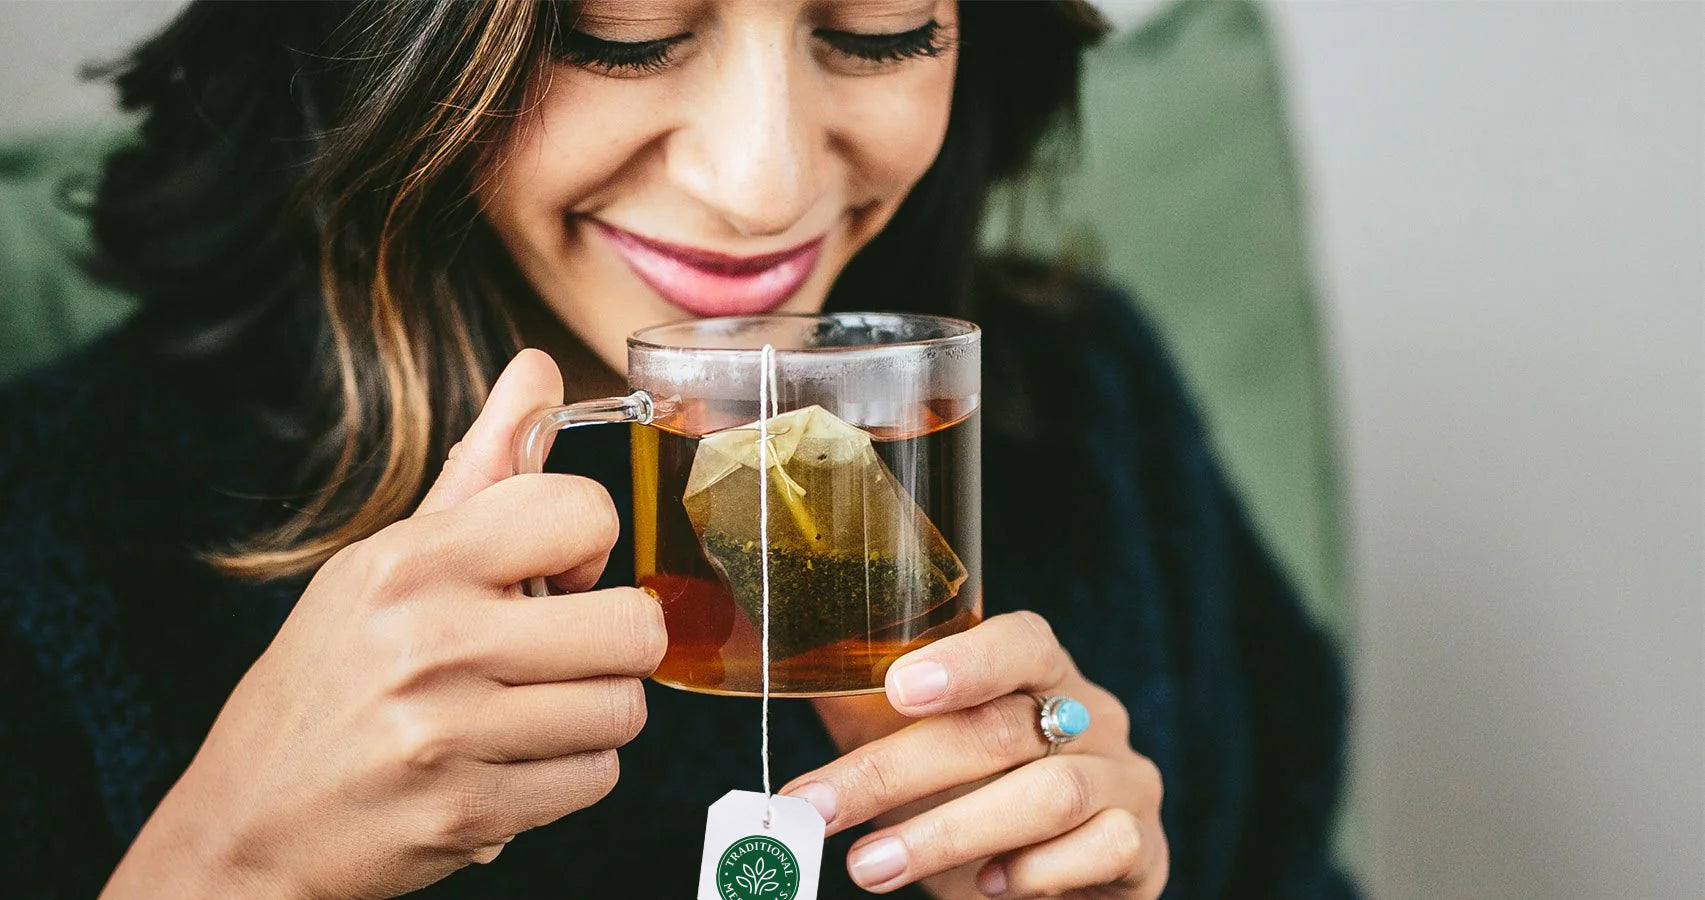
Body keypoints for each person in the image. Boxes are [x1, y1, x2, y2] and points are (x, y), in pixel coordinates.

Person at [0, 1, 1355, 897]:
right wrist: (228, 867)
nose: (764, 187)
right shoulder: (56, 529)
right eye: (623, 30)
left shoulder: (1082, 407)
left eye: (879, 28)